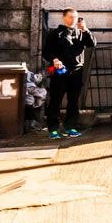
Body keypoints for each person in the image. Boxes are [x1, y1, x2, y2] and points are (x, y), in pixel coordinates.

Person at [42, 8, 96, 140]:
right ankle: (53, 129)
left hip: (77, 71)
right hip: (60, 72)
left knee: (74, 101)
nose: (73, 20)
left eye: (76, 17)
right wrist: (54, 60)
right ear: (64, 18)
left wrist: (85, 29)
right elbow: (46, 52)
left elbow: (92, 44)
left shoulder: (81, 33)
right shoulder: (55, 34)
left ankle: (70, 127)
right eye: (71, 17)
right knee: (56, 100)